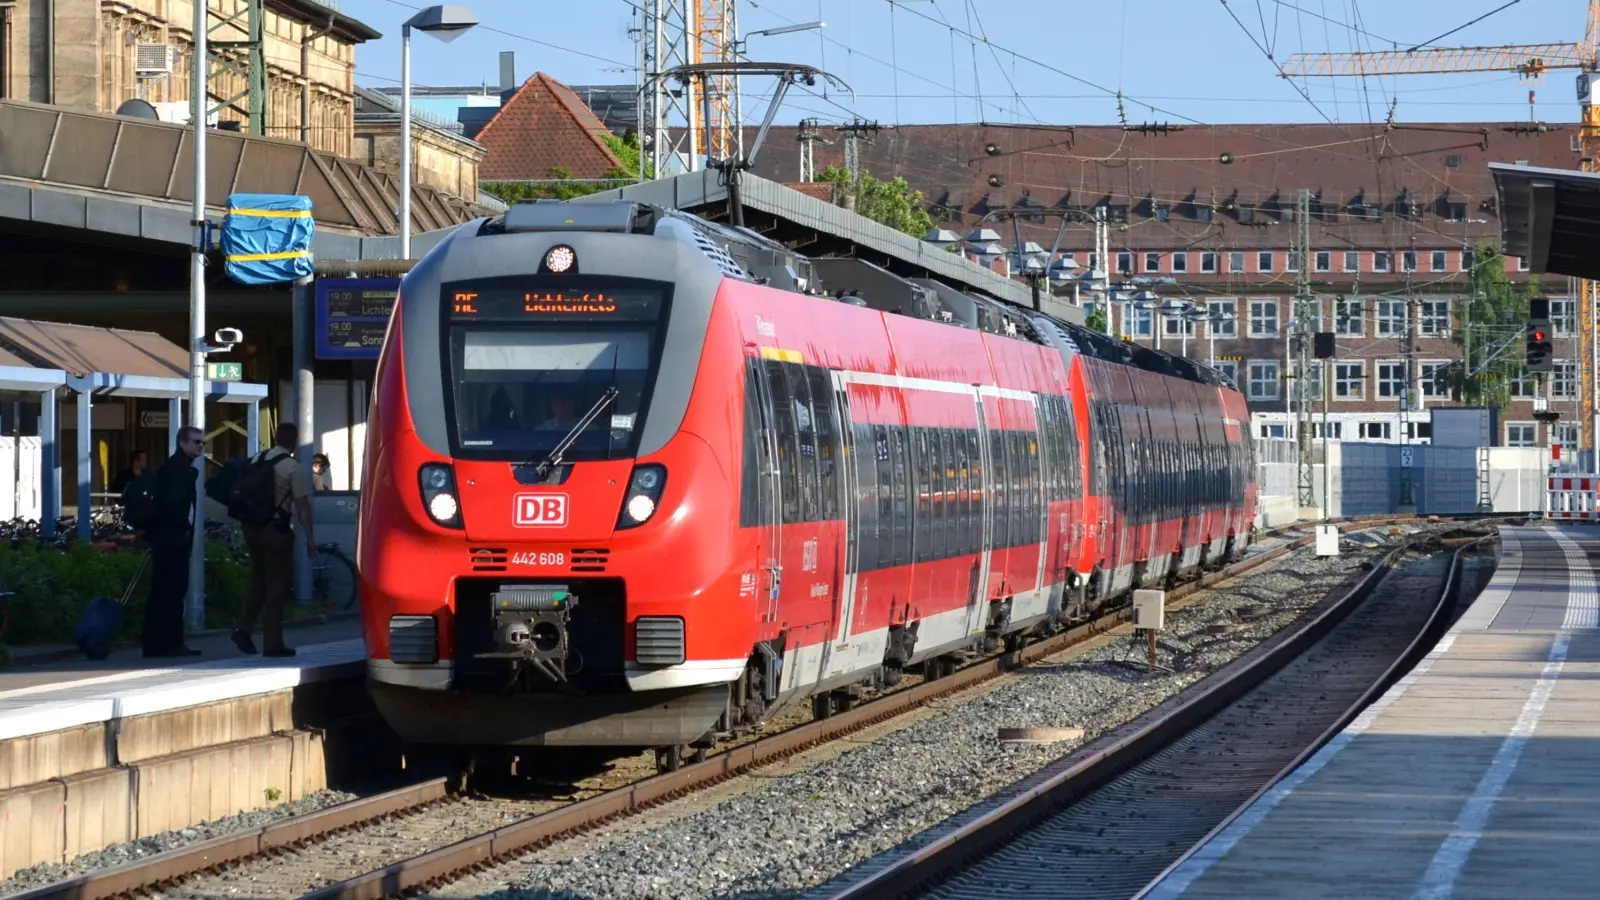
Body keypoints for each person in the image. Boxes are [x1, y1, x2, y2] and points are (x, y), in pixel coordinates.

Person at [231, 423, 316, 658]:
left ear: (276, 437)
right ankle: (273, 644)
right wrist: (310, 539)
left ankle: (243, 629)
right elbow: (302, 505)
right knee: (277, 585)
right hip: (276, 531)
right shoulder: (292, 467)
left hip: (251, 527)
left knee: (258, 578)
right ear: (294, 442)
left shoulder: (257, 459)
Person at [143, 428, 203, 658]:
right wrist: (184, 529)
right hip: (172, 540)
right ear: (183, 443)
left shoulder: (174, 468)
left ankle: (155, 643)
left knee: (162, 591)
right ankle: (171, 642)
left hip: (165, 538)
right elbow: (174, 504)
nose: (200, 446)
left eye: (202, 442)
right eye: (196, 442)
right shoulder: (179, 470)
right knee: (173, 591)